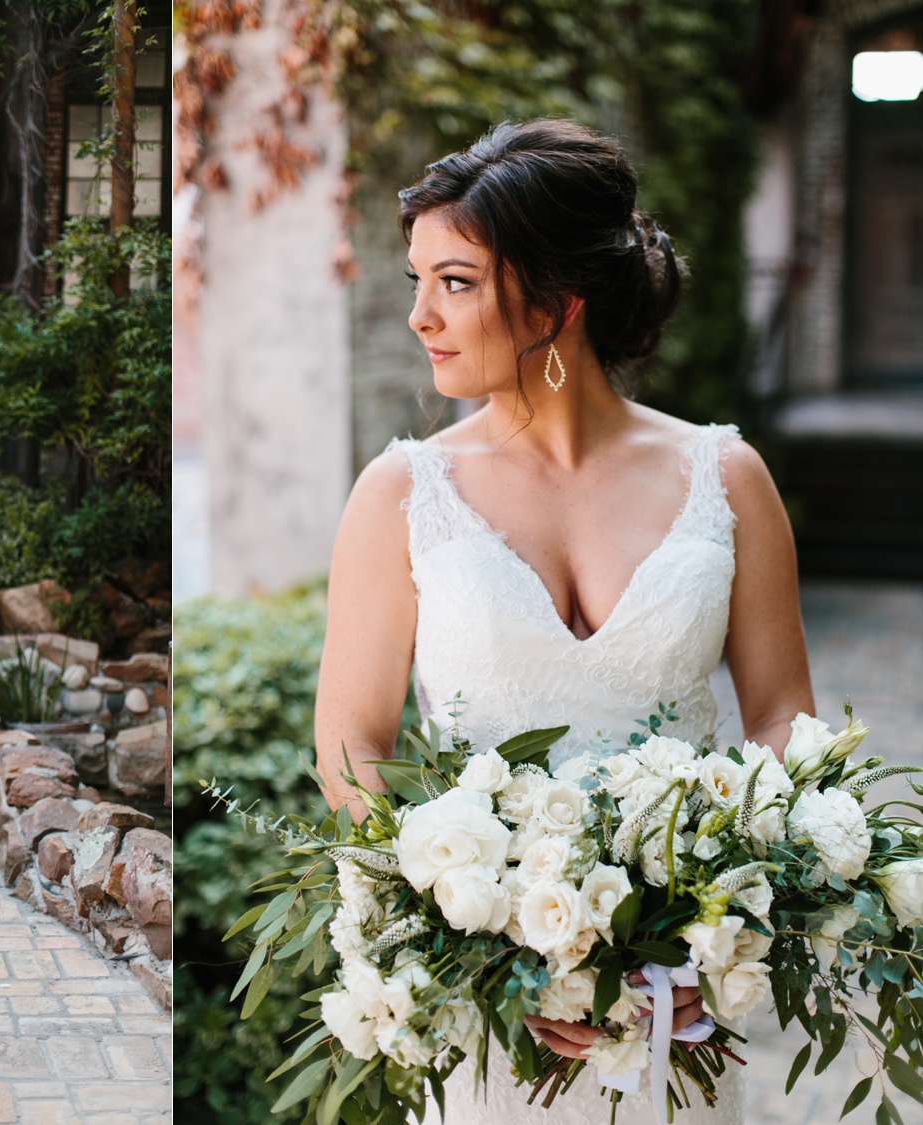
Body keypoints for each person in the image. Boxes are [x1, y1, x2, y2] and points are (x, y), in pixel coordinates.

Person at [313, 120, 815, 1124]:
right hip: (488, 1017)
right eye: (419, 281)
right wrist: (476, 933)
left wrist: (698, 946)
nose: (420, 315)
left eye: (453, 282)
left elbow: (783, 729)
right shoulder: (403, 491)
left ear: (555, 299)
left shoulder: (727, 478)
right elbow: (351, 744)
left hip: (676, 1015)